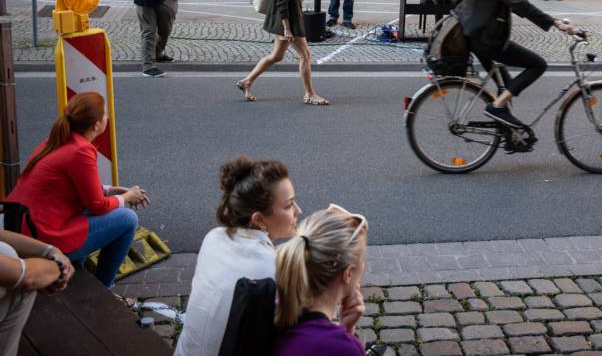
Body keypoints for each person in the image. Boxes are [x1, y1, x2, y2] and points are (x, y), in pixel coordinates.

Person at [6, 92, 149, 289]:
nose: (107, 117)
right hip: (41, 237)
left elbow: (69, 187)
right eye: (105, 114)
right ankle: (104, 287)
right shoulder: (81, 150)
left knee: (106, 210)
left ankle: (78, 269)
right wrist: (126, 198)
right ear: (97, 125)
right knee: (127, 218)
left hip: (18, 226)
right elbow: (97, 205)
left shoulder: (57, 139)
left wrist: (111, 191)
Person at [174, 158, 301, 356]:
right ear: (259, 219)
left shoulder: (213, 237)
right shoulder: (273, 271)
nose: (298, 211)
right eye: (289, 205)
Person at [459, 0, 579, 129]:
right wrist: (556, 23)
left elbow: (510, 3)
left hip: (475, 36)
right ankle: (496, 108)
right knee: (537, 64)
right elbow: (518, 3)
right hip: (486, 39)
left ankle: (505, 130)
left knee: (505, 85)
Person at [236, 0, 329, 105]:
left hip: (286, 21)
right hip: (288, 23)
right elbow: (282, 4)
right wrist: (287, 29)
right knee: (305, 55)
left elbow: (289, 3)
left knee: (276, 56)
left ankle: (246, 82)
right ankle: (310, 94)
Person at [272, 205, 368, 356]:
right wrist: (346, 336)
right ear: (348, 274)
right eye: (363, 261)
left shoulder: (278, 303)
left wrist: (344, 330)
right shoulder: (340, 348)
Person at [0, 229, 75, 356]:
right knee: (22, 288)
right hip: (50, 231)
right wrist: (59, 268)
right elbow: (25, 277)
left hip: (38, 228)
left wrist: (50, 251)